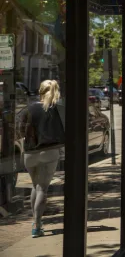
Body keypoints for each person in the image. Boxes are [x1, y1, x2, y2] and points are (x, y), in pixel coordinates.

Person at [22, 80, 65, 238]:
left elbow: (20, 128)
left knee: (35, 186)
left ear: (40, 91)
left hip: (29, 153)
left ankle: (35, 222)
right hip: (49, 152)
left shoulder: (31, 108)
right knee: (42, 188)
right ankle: (37, 224)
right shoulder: (57, 108)